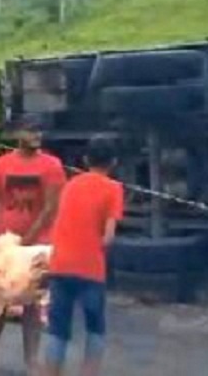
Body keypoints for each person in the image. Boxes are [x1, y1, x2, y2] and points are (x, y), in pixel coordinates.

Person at [0, 119, 66, 375]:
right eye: (30, 130)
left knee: (31, 304)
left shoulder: (52, 166)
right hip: (4, 241)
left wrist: (27, 240)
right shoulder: (1, 166)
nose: (35, 135)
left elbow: (51, 208)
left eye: (38, 130)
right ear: (17, 135)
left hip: (37, 244)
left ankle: (32, 361)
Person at [44, 136, 124, 376]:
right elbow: (108, 236)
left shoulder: (71, 184)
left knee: (58, 329)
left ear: (86, 159)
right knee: (95, 327)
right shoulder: (114, 189)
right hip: (90, 268)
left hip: (60, 264)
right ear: (114, 162)